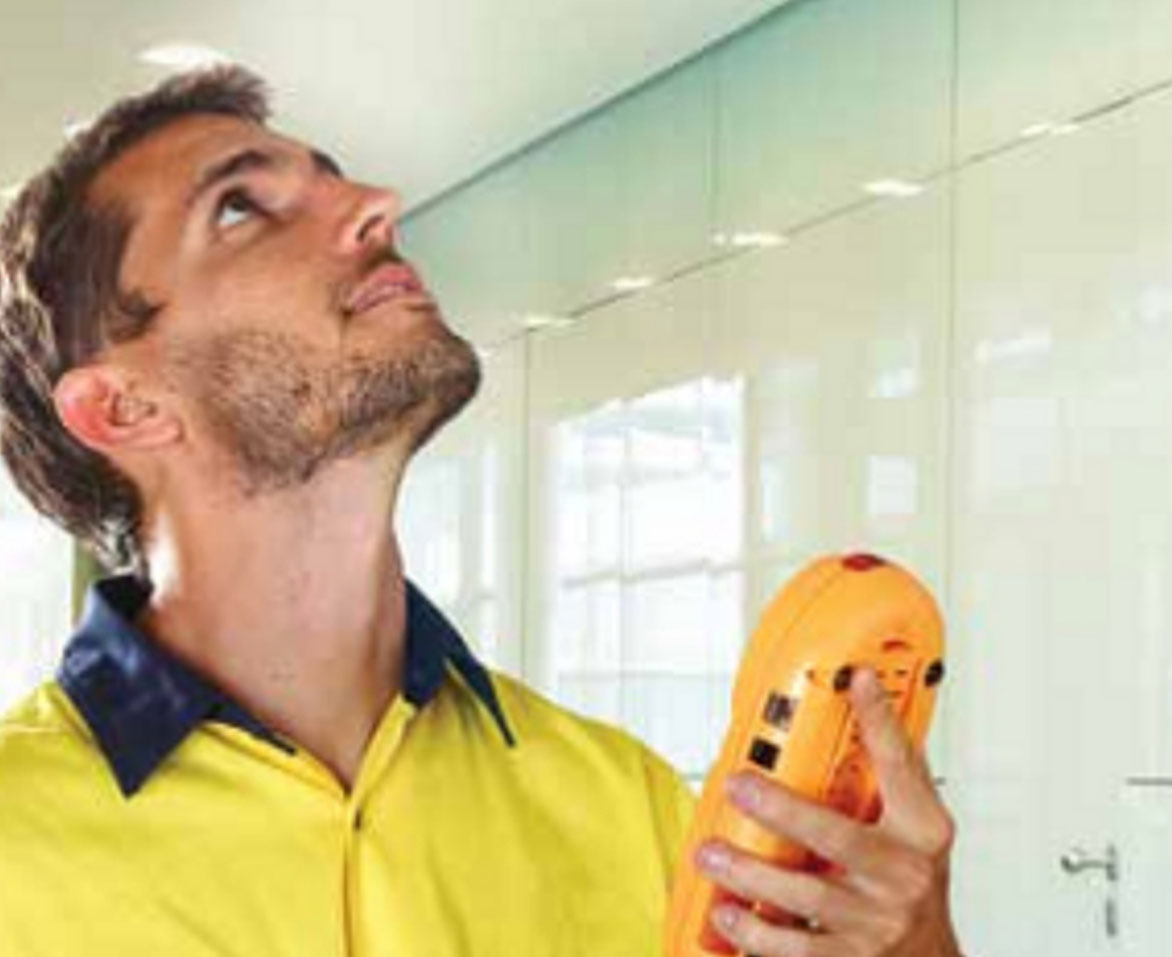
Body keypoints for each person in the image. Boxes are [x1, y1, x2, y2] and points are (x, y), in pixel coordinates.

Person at [0, 66, 964, 956]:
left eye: (333, 177)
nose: (374, 205)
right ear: (122, 408)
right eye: (241, 207)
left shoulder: (631, 807)